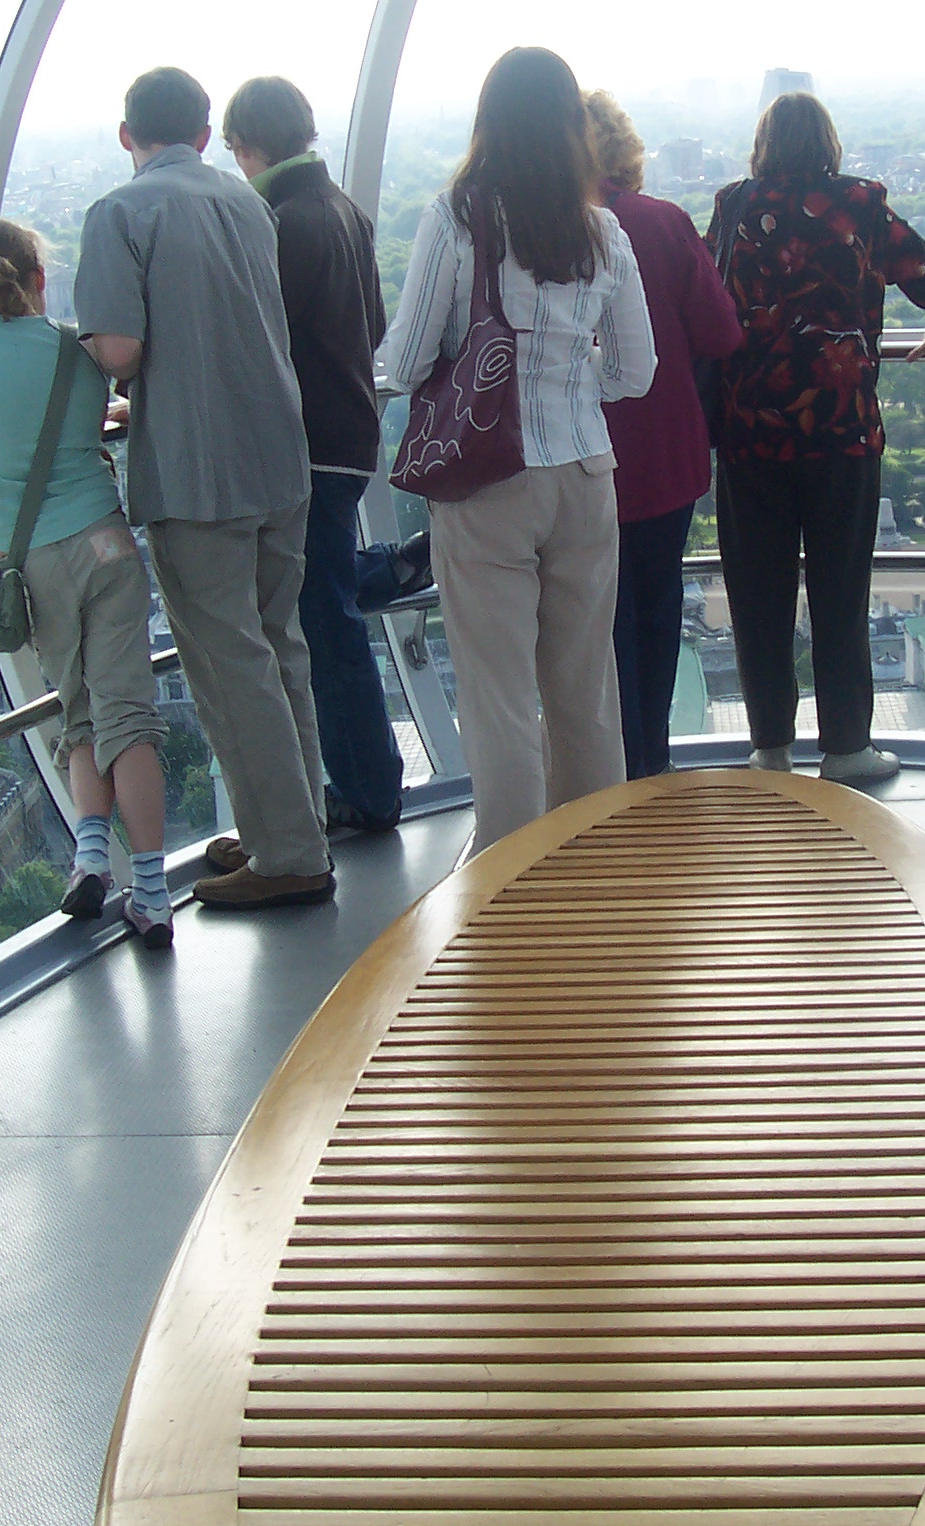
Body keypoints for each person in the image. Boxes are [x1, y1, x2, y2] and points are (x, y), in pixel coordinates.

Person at [381, 47, 656, 852]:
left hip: (485, 481)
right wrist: (568, 383)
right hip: (584, 475)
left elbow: (404, 363)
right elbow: (635, 372)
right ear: (573, 128)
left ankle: (511, 874)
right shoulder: (602, 230)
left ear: (488, 121)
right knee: (584, 688)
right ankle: (590, 858)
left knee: (498, 692)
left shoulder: (455, 217)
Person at [75, 66, 333, 909]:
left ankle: (290, 853)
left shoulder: (120, 213)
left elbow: (117, 348)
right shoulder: (243, 201)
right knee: (279, 649)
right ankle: (291, 828)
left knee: (230, 666)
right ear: (199, 134)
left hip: (197, 469)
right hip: (278, 454)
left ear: (128, 137)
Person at [707, 92, 925, 784]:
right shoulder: (859, 204)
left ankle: (770, 746)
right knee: (840, 589)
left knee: (756, 593)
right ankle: (847, 746)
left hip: (750, 431)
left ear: (763, 145)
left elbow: (704, 302)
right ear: (829, 142)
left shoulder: (733, 207)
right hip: (841, 428)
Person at [0, 219, 173, 948]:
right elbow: (82, 419)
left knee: (79, 715)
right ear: (40, 277)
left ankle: (91, 858)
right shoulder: (77, 353)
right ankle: (155, 894)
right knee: (128, 716)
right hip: (104, 541)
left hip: (31, 557)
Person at [222, 74, 425, 836]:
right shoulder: (344, 209)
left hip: (303, 444)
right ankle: (391, 566)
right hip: (351, 433)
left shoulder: (274, 221)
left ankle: (371, 790)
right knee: (328, 594)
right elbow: (373, 323)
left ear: (247, 144)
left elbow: (254, 342)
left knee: (324, 619)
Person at [584, 90, 742, 778]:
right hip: (666, 453)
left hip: (580, 459)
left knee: (594, 625)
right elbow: (721, 331)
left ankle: (608, 773)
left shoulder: (533, 233)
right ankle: (652, 763)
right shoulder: (663, 224)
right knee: (656, 608)